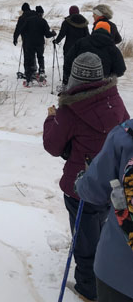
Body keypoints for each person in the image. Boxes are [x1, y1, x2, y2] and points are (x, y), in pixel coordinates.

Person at [43, 52, 130, 302]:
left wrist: (51, 119)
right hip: (113, 185)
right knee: (101, 227)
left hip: (80, 186)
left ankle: (87, 288)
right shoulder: (114, 100)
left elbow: (52, 146)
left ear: (75, 79)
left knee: (83, 238)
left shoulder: (70, 110)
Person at [76, 118, 133, 301]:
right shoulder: (115, 105)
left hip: (120, 272)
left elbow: (95, 190)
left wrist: (80, 183)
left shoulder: (126, 134)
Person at [19, 5, 56, 85]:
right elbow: (47, 34)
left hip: (30, 43)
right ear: (41, 13)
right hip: (39, 43)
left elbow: (22, 30)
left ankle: (29, 79)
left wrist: (26, 37)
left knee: (30, 59)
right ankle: (41, 71)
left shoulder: (28, 20)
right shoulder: (43, 21)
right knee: (40, 57)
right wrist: (53, 33)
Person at [13, 2, 37, 79]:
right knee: (33, 55)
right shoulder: (36, 15)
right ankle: (34, 70)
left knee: (27, 56)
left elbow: (18, 29)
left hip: (26, 39)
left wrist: (15, 38)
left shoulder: (22, 18)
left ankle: (28, 72)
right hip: (36, 39)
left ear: (23, 10)